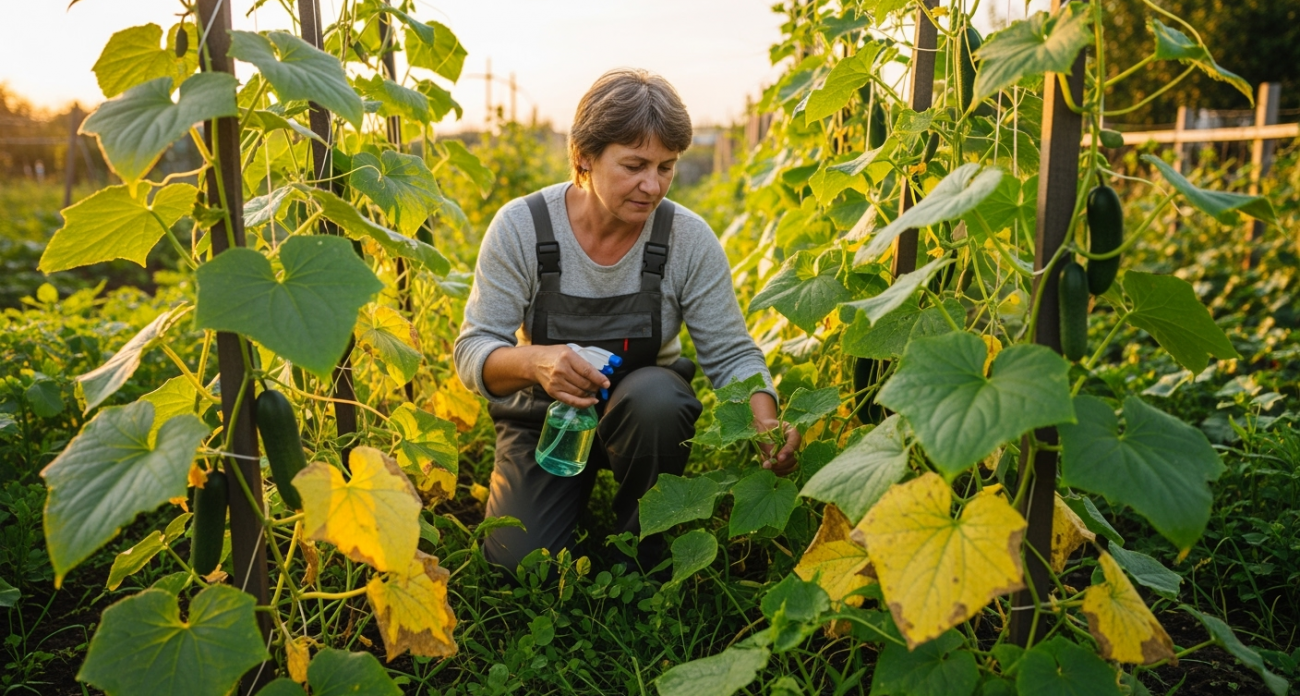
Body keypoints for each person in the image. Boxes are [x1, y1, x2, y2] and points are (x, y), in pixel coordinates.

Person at [453, 68, 799, 571]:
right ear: (583, 157)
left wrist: (766, 420)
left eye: (666, 166)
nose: (651, 185)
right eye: (634, 164)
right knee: (520, 566)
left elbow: (730, 353)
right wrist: (536, 362)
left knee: (659, 397)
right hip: (543, 419)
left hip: (639, 417)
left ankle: (644, 552)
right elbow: (473, 350)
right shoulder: (523, 227)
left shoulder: (686, 239)